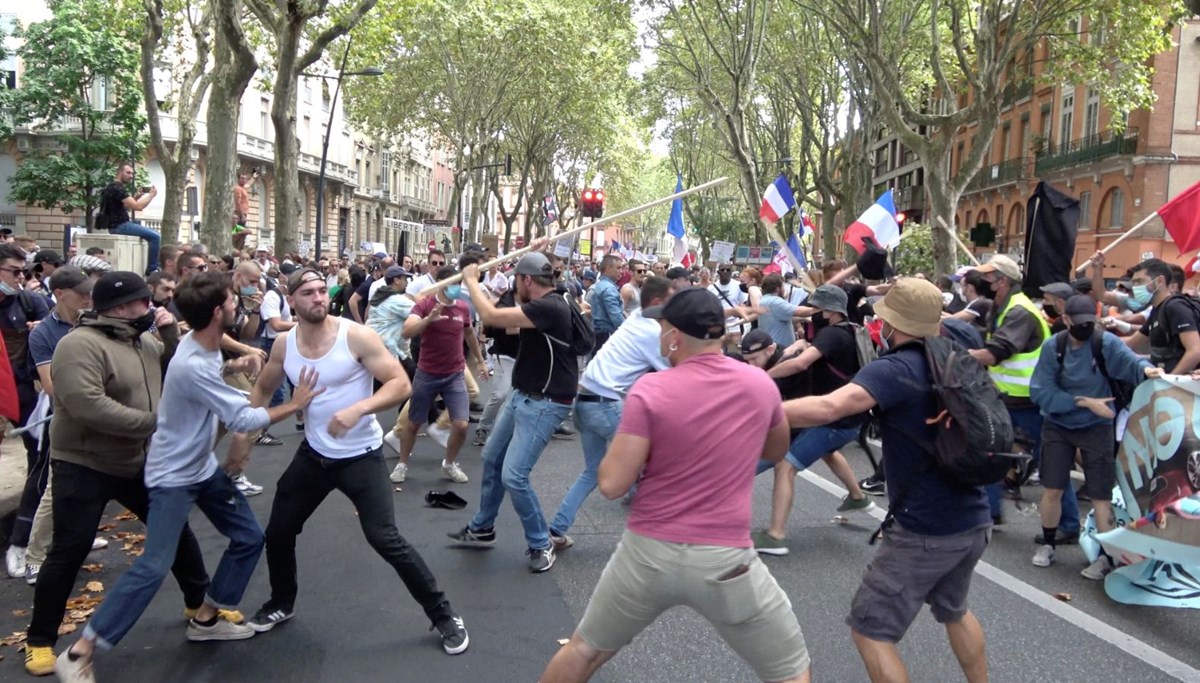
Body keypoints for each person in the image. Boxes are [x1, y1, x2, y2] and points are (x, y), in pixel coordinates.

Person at [53, 273, 324, 681]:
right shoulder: (194, 362)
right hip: (173, 476)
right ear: (218, 313)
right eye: (233, 300)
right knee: (154, 565)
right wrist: (297, 403)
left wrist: (237, 363)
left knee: (249, 538)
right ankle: (79, 651)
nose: (239, 304)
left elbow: (210, 385)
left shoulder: (206, 346)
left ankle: (207, 618)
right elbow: (244, 417)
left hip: (202, 468)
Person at [540, 288, 811, 683]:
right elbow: (775, 447)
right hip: (726, 559)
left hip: (648, 554)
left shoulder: (651, 390)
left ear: (674, 337)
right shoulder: (759, 385)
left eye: (663, 326)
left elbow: (613, 484)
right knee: (791, 672)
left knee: (585, 650)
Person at [234, 268, 468, 654]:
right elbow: (262, 387)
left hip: (360, 457)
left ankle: (443, 615)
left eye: (322, 291)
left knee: (385, 538)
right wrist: (244, 435)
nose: (317, 298)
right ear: (291, 300)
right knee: (278, 531)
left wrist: (359, 408)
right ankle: (281, 602)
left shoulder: (355, 336)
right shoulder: (283, 344)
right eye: (307, 292)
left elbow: (399, 383)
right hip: (313, 456)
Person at [783, 278, 990, 683]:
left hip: (925, 528)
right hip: (973, 514)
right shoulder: (954, 356)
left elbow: (830, 407)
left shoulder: (895, 367)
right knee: (955, 610)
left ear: (891, 324)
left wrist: (762, 406)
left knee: (871, 630)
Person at [23, 272, 211, 677]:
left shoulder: (141, 339)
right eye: (146, 302)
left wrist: (171, 337)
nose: (154, 308)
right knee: (69, 549)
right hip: (84, 463)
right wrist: (154, 423)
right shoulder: (78, 345)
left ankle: (200, 604)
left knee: (175, 530)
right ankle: (39, 640)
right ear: (121, 309)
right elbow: (87, 404)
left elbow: (170, 369)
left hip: (136, 460)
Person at [448, 253, 579, 573]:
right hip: (524, 394)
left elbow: (491, 314)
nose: (512, 285)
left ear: (527, 281)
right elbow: (502, 320)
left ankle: (541, 542)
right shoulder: (547, 302)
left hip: (546, 402)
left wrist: (470, 281)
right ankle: (483, 528)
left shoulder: (548, 308)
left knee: (514, 475)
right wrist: (531, 252)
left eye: (516, 279)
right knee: (493, 456)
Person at [1030, 295, 1154, 578]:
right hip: (1059, 425)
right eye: (1080, 323)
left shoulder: (1104, 342)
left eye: (1091, 322)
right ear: (1066, 320)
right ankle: (1047, 543)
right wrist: (1084, 402)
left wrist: (1150, 370)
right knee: (1052, 488)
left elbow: (1132, 363)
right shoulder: (1054, 346)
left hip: (1097, 426)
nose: (1086, 328)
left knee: (1101, 495)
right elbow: (1041, 392)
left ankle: (1104, 558)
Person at [547, 276, 673, 549]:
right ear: (657, 302)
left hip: (584, 401)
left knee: (593, 471)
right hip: (605, 404)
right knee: (656, 459)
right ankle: (655, 534)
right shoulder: (651, 332)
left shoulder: (637, 316)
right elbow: (674, 372)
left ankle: (556, 529)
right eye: (671, 300)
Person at [749, 285, 873, 556]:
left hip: (834, 419)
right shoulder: (851, 330)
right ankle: (857, 497)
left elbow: (800, 364)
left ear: (830, 312)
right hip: (845, 416)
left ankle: (776, 536)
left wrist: (763, 377)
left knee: (785, 465)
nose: (812, 314)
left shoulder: (831, 335)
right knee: (828, 451)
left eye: (816, 309)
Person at [969, 255, 1079, 535]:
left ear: (1002, 281)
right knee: (992, 454)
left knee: (1050, 466)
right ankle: (989, 513)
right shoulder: (1003, 307)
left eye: (988, 276)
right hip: (1007, 398)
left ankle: (1068, 525)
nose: (983, 281)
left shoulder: (1019, 311)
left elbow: (994, 353)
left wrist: (954, 355)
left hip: (1033, 401)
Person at [19, 267, 94, 586]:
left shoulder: (92, 323)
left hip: (94, 417)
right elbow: (51, 385)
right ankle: (35, 557)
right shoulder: (43, 333)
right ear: (60, 294)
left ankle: (76, 540)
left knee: (89, 487)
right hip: (66, 421)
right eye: (82, 294)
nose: (88, 299)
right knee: (55, 490)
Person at [390, 266, 479, 484]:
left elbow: (469, 333)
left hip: (454, 374)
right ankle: (402, 464)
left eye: (459, 284)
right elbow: (407, 331)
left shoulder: (462, 308)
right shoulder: (424, 305)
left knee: (461, 425)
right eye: (451, 285)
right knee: (413, 423)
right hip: (427, 373)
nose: (456, 289)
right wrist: (429, 318)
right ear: (440, 285)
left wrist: (481, 360)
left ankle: (449, 464)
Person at [2, 243, 52, 580]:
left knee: (41, 464)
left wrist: (40, 327)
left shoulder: (28, 300)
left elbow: (51, 320)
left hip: (21, 394)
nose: (22, 278)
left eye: (24, 271)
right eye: (14, 271)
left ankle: (22, 542)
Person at [1120, 257, 1200, 374]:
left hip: (1184, 386)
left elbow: (1195, 351)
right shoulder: (1157, 310)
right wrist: (1099, 340)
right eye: (1134, 283)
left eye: (1139, 282)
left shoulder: (1174, 307)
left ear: (1159, 281)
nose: (1135, 287)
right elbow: (1132, 342)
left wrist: (1169, 381)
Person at [97, 163, 161, 274]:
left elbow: (126, 206)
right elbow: (138, 207)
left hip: (116, 225)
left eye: (132, 173)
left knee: (152, 235)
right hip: (120, 226)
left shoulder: (112, 187)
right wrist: (151, 195)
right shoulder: (117, 188)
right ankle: (152, 269)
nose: (131, 176)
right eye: (128, 172)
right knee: (156, 237)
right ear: (120, 172)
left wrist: (136, 197)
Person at [588, 255, 625, 352]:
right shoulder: (609, 289)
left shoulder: (602, 285)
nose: (621, 271)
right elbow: (617, 317)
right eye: (618, 268)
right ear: (608, 268)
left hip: (600, 335)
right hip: (606, 336)